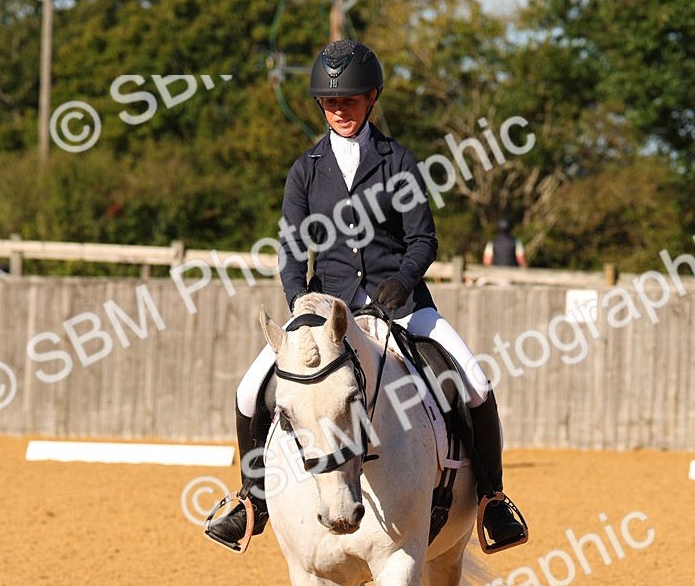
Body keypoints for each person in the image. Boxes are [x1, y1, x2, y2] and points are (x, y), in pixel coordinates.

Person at [206, 39, 527, 554]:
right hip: (326, 315)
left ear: (371, 98)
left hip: (401, 307)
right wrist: (299, 305)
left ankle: (493, 501)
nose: (340, 110)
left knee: (474, 383)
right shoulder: (306, 170)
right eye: (331, 103)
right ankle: (251, 500)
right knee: (249, 392)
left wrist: (400, 283)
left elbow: (423, 239)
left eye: (350, 101)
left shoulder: (398, 161)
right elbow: (292, 250)